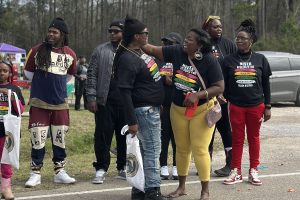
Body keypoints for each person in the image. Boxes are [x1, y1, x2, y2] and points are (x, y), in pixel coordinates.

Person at [142, 28, 224, 200]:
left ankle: (205, 191)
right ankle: (181, 187)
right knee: (181, 149)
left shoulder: (209, 60)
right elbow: (150, 49)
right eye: (185, 39)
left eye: (189, 40)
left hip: (201, 111)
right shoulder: (177, 51)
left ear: (200, 45)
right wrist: (137, 38)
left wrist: (197, 95)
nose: (185, 42)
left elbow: (219, 87)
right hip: (177, 110)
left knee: (200, 149)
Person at [114, 16, 165, 200]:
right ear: (136, 36)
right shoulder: (128, 58)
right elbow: (125, 92)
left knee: (146, 152)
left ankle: (140, 189)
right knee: (152, 152)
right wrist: (132, 121)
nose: (147, 36)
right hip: (143, 111)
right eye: (145, 33)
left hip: (150, 109)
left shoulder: (140, 53)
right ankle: (153, 191)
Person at [24, 17, 77, 187]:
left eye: (55, 32)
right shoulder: (36, 50)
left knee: (59, 139)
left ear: (62, 35)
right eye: (50, 31)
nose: (51, 34)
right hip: (39, 103)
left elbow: (69, 76)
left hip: (60, 104)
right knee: (37, 139)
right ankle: (35, 173)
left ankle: (59, 172)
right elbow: (28, 72)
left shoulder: (70, 54)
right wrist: (43, 86)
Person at [222, 19, 271, 186]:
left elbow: (266, 84)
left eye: (243, 38)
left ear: (251, 41)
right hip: (235, 105)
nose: (239, 41)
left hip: (256, 105)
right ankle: (235, 171)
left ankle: (253, 170)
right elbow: (223, 83)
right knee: (236, 138)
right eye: (237, 38)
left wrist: (268, 106)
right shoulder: (228, 60)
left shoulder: (260, 59)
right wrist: (222, 96)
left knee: (254, 138)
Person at [86, 19, 127, 184]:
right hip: (105, 101)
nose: (112, 34)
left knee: (125, 136)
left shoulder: (132, 51)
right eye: (110, 31)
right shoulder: (100, 50)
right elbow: (91, 75)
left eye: (116, 31)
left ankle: (123, 167)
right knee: (102, 136)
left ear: (124, 33)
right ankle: (101, 168)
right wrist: (91, 97)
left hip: (126, 102)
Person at [202, 15, 237, 177]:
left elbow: (233, 68)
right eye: (215, 27)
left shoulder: (228, 44)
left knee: (226, 131)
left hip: (224, 98)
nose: (219, 29)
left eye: (220, 26)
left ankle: (230, 164)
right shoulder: (201, 44)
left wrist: (227, 92)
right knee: (206, 130)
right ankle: (205, 164)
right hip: (206, 97)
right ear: (207, 28)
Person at [159, 32, 183, 180]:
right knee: (164, 136)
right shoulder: (158, 60)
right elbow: (152, 80)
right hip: (163, 105)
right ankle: (162, 165)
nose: (166, 46)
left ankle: (176, 165)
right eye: (165, 43)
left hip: (179, 105)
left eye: (170, 43)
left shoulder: (183, 61)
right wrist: (163, 77)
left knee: (178, 137)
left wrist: (173, 78)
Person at [0, 60, 25, 200]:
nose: (2, 73)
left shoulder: (15, 89)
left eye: (5, 71)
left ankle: (6, 188)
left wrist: (11, 95)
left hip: (8, 131)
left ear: (10, 73)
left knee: (6, 159)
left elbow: (21, 110)